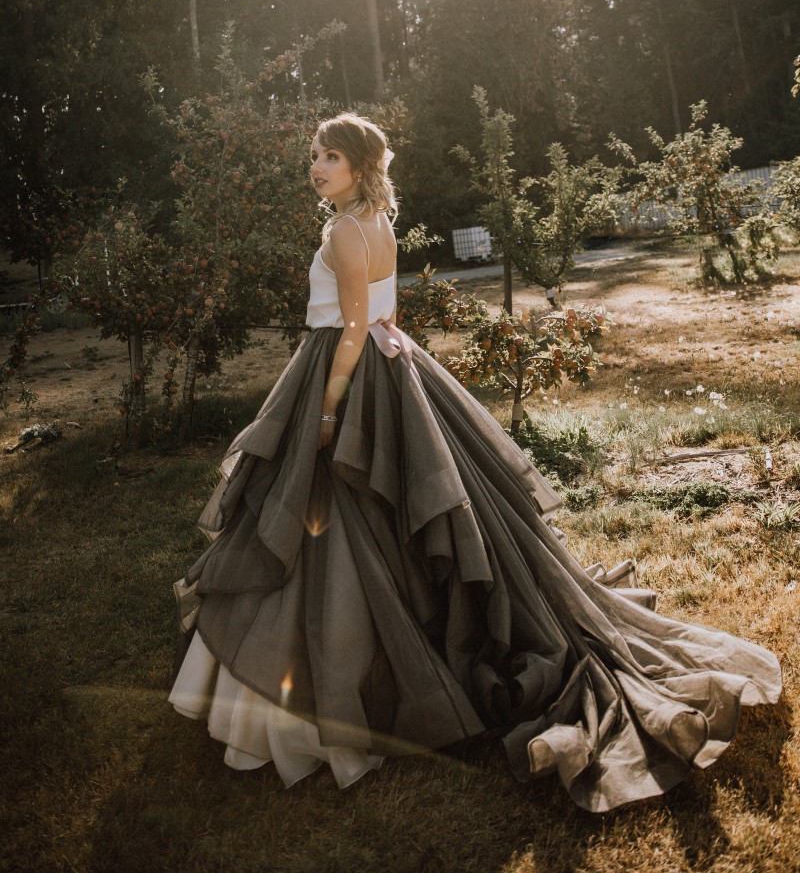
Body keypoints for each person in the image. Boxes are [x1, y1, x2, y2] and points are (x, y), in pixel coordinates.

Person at [169, 113, 781, 813]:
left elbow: (352, 328)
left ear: (361, 166)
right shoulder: (380, 223)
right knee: (385, 514)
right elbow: (389, 317)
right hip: (391, 366)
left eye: (330, 156)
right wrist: (387, 366)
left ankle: (333, 684)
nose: (316, 166)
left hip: (343, 373)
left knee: (330, 517)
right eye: (313, 155)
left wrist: (332, 413)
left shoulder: (342, 230)